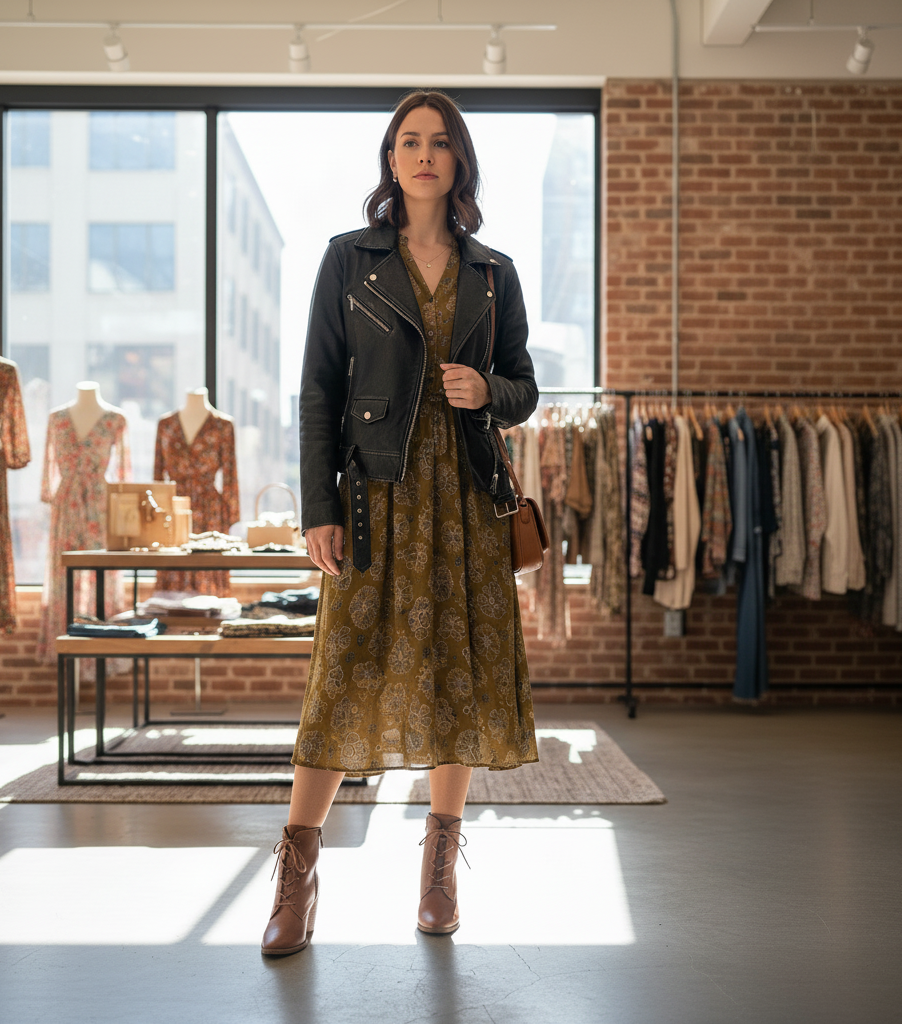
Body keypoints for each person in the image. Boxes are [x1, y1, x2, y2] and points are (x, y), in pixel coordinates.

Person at [261, 89, 539, 957]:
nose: (423, 154)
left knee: (456, 671)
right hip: (375, 497)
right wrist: (318, 510)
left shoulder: (493, 272)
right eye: (408, 141)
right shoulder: (349, 260)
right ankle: (296, 877)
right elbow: (319, 391)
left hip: (464, 498)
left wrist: (486, 390)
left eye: (439, 142)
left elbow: (526, 386)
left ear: (459, 160)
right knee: (343, 675)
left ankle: (439, 869)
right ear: (390, 161)